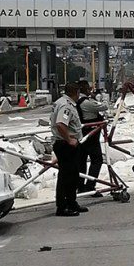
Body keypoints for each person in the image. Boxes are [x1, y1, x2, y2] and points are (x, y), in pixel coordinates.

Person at [51, 82, 86, 217]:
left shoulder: (61, 102)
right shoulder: (66, 106)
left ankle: (72, 202)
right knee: (66, 177)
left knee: (73, 175)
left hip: (67, 144)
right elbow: (61, 124)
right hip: (65, 144)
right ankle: (62, 206)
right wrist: (69, 139)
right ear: (76, 93)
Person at [77, 80, 108, 197]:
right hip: (91, 134)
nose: (90, 90)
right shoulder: (86, 102)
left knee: (81, 161)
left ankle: (80, 186)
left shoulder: (77, 101)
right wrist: (103, 97)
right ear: (84, 89)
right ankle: (90, 185)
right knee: (97, 160)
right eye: (88, 88)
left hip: (81, 134)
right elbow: (104, 107)